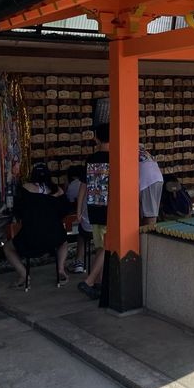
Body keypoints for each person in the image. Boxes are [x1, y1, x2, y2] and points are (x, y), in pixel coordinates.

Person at [4, 163, 69, 288]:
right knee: (64, 241)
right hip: (53, 237)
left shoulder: (25, 188)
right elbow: (65, 211)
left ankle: (24, 274)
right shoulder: (58, 190)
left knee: (8, 247)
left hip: (31, 238)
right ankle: (60, 270)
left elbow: (18, 212)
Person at [77, 123, 109, 300]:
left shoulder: (90, 159)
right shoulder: (116, 157)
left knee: (99, 248)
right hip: (110, 209)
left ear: (96, 138)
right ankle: (89, 281)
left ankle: (100, 286)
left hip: (93, 208)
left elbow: (83, 186)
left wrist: (79, 209)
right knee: (108, 246)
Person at [65, 165, 90, 274]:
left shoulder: (74, 185)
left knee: (81, 234)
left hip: (86, 225)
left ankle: (79, 261)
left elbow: (69, 200)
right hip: (99, 224)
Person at [139, 145, 163, 225]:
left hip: (148, 181)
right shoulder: (143, 151)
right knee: (150, 211)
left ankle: (149, 235)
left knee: (150, 214)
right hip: (156, 179)